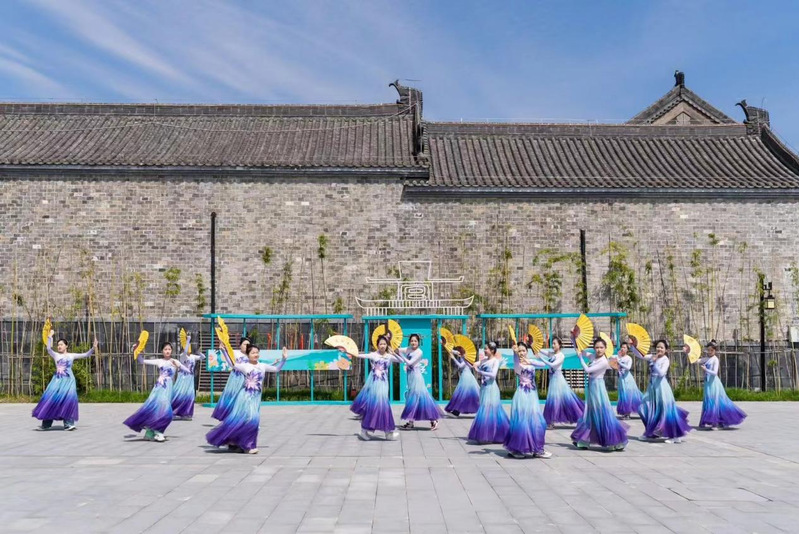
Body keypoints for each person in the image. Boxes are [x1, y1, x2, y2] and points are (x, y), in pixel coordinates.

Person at [206, 345, 287, 453]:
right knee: (252, 420)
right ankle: (249, 446)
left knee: (247, 421)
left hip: (255, 399)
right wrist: (224, 351)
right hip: (245, 397)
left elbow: (276, 369)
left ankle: (237, 441)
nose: (255, 354)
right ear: (248, 355)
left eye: (257, 352)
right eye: (253, 353)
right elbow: (232, 364)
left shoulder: (262, 366)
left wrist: (284, 359)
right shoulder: (245, 366)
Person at [123, 341, 190, 442]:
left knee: (159, 409)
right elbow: (141, 361)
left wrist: (179, 366)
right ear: (162, 351)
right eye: (165, 349)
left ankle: (149, 432)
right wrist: (137, 350)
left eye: (169, 349)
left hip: (168, 388)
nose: (167, 351)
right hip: (159, 388)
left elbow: (188, 371)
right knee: (164, 411)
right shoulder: (159, 361)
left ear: (172, 351)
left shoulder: (175, 361)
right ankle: (159, 432)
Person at [570, 337, 628, 451]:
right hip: (592, 388)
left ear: (605, 348)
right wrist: (574, 338)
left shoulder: (604, 361)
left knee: (602, 414)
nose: (599, 350)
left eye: (601, 347)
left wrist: (580, 358)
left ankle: (614, 441)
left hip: (598, 389)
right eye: (596, 347)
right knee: (589, 414)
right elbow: (580, 349)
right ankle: (584, 440)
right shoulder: (593, 356)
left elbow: (587, 370)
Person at [33, 330, 98, 431]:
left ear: (66, 346)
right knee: (52, 400)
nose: (59, 346)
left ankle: (68, 424)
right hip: (57, 381)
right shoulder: (56, 355)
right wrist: (50, 337)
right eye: (58, 345)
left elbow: (86, 355)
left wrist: (93, 348)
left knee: (68, 401)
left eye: (61, 344)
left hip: (69, 381)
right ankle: (46, 425)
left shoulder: (71, 355)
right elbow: (48, 349)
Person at [631, 339, 691, 443]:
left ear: (666, 350)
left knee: (665, 412)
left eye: (662, 347)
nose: (659, 349)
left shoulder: (665, 360)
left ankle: (674, 436)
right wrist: (633, 346)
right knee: (643, 408)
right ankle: (652, 432)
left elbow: (662, 373)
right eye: (658, 347)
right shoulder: (652, 356)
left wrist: (654, 363)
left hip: (662, 388)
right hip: (652, 388)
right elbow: (640, 355)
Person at [504, 342, 551, 459]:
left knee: (538, 422)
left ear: (527, 351)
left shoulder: (530, 362)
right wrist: (514, 353)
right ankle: (517, 449)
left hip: (532, 395)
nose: (521, 353)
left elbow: (544, 364)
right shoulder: (518, 364)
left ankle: (537, 449)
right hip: (522, 395)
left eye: (523, 350)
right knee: (522, 422)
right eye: (519, 351)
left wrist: (530, 361)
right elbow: (516, 363)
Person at [351, 335, 403, 441]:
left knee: (383, 407)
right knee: (375, 407)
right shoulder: (373, 355)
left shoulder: (389, 356)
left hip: (384, 385)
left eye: (384, 344)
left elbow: (401, 361)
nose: (382, 346)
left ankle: (386, 433)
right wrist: (349, 352)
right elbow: (361, 355)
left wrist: (394, 353)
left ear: (387, 345)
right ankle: (367, 431)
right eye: (380, 344)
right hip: (374, 385)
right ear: (377, 345)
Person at [397, 334, 444, 430]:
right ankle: (410, 422)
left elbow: (409, 363)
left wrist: (400, 354)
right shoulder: (408, 349)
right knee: (411, 399)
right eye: (412, 341)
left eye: (415, 341)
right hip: (410, 377)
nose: (413, 342)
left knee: (422, 398)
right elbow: (398, 349)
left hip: (417, 377)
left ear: (418, 342)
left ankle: (433, 420)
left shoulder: (419, 352)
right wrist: (393, 348)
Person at [697, 340, 746, 429]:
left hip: (714, 383)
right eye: (708, 350)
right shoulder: (707, 359)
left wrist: (706, 369)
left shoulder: (715, 359)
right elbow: (697, 361)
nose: (709, 352)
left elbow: (715, 372)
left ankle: (715, 422)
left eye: (711, 350)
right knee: (708, 401)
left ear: (715, 350)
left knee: (715, 402)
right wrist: (688, 352)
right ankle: (709, 421)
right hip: (708, 384)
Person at [467, 342, 510, 444]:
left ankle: (493, 434)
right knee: (485, 410)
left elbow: (493, 375)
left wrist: (480, 371)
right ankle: (488, 434)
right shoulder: (484, 360)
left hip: (491, 388)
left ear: (492, 350)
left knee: (490, 411)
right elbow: (474, 364)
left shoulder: (495, 361)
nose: (484, 350)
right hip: (484, 388)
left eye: (486, 349)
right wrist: (465, 358)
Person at [539, 336, 584, 427]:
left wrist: (541, 358)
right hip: (552, 379)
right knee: (553, 400)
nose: (553, 345)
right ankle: (550, 421)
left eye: (554, 343)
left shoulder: (561, 356)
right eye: (552, 343)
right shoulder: (552, 354)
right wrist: (533, 345)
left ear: (559, 345)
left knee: (563, 399)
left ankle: (581, 416)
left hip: (558, 379)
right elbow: (540, 350)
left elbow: (553, 365)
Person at [212, 337, 251, 421]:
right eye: (245, 344)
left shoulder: (250, 355)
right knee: (231, 397)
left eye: (248, 344)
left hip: (247, 380)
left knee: (245, 399)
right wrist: (223, 350)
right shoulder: (235, 352)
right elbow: (230, 362)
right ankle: (228, 417)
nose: (247, 346)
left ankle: (245, 419)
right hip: (235, 378)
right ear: (240, 345)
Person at [171, 333, 205, 420]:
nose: (188, 348)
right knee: (179, 394)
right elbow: (185, 352)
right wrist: (188, 340)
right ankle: (174, 412)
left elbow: (203, 357)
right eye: (187, 346)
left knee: (189, 395)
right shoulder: (182, 356)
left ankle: (187, 413)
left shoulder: (193, 356)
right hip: (183, 377)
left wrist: (199, 353)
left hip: (190, 378)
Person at [444, 346, 480, 417]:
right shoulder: (461, 354)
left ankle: (456, 412)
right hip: (465, 376)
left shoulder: (466, 357)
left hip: (467, 377)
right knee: (464, 394)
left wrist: (453, 358)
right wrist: (445, 345)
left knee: (463, 394)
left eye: (460, 350)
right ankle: (456, 412)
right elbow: (452, 351)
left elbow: (460, 366)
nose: (458, 351)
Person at [615, 342, 643, 419]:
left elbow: (628, 368)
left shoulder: (628, 358)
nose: (622, 348)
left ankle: (628, 414)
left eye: (624, 347)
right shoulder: (619, 358)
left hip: (628, 379)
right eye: (621, 347)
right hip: (621, 379)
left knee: (629, 396)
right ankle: (625, 413)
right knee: (623, 396)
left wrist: (619, 363)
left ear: (627, 349)